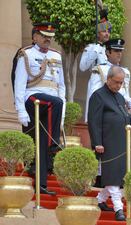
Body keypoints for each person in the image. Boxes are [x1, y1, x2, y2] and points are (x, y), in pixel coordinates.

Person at [14, 22, 65, 196]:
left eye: (50, 37)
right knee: (55, 102)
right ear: (35, 36)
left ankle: (41, 184)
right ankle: (55, 145)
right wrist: (20, 110)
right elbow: (19, 84)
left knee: (41, 144)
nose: (47, 39)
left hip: (51, 106)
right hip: (33, 98)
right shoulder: (26, 54)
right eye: (43, 36)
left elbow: (62, 86)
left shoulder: (56, 56)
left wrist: (63, 114)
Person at [88, 66, 131, 221]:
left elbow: (126, 119)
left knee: (120, 176)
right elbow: (94, 122)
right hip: (107, 143)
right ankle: (118, 209)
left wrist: (130, 113)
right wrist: (97, 143)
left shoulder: (120, 97)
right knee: (113, 176)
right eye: (116, 82)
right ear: (108, 79)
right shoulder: (98, 96)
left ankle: (99, 200)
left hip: (121, 143)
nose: (119, 86)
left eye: (121, 83)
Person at [84, 38, 131, 121]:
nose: (119, 54)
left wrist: (129, 102)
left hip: (122, 116)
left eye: (120, 51)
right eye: (116, 51)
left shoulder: (125, 72)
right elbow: (94, 96)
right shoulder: (99, 70)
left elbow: (125, 93)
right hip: (106, 116)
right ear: (107, 52)